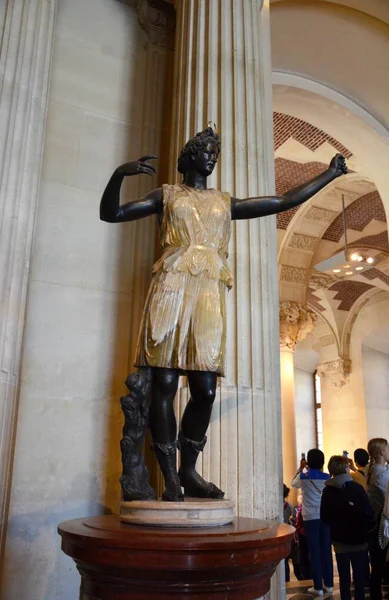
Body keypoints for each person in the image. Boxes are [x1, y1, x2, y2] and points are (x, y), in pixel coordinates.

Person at [100, 126, 348, 502]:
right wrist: (120, 174)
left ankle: (188, 470)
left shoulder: (224, 202)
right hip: (170, 286)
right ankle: (168, 476)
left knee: (206, 388)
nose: (212, 157)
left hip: (208, 291)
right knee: (164, 385)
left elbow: (281, 201)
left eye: (215, 152)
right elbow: (112, 213)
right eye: (206, 150)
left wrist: (329, 174)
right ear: (189, 157)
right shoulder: (166, 195)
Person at [321, 455, 375, 600]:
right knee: (359, 578)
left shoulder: (328, 491)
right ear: (346, 468)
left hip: (340, 541)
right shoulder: (356, 488)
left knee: (344, 579)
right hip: (359, 539)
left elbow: (324, 517)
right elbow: (369, 512)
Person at [292, 449, 333, 596]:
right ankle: (329, 584)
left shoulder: (304, 476)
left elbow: (293, 483)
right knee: (326, 550)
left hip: (310, 517)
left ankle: (318, 586)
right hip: (325, 516)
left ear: (308, 461)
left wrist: (300, 467)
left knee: (314, 550)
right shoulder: (327, 477)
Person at [366, 438, 389, 600]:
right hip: (382, 524)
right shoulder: (382, 474)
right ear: (382, 452)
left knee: (376, 565)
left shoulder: (372, 470)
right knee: (381, 563)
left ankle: (376, 594)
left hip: (373, 523)